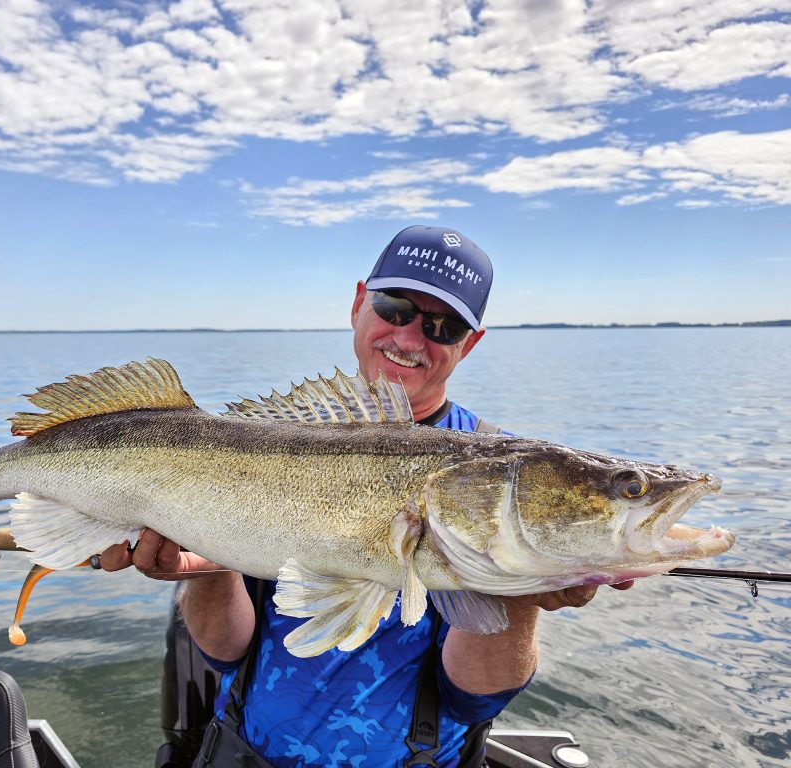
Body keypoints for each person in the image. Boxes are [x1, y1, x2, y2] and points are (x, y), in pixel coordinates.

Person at [100, 225, 634, 767]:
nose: (408, 339)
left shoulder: (496, 479)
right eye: (394, 307)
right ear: (359, 303)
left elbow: (475, 696)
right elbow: (225, 652)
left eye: (443, 326)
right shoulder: (265, 443)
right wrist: (209, 568)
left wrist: (521, 586)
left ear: (469, 344)